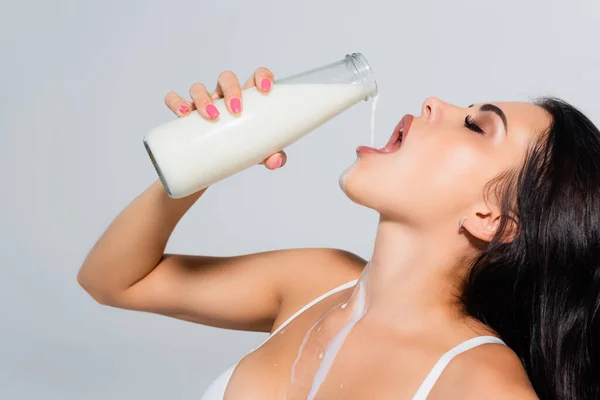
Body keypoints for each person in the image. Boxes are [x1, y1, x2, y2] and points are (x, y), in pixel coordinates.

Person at [77, 66, 600, 399]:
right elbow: (114, 281)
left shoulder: (480, 384)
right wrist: (203, 160)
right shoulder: (316, 280)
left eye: (475, 126)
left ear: (493, 219)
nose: (434, 102)